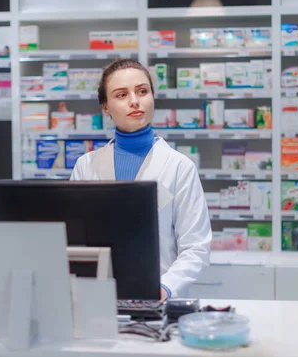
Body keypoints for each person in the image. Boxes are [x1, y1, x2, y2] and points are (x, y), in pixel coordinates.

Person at [71, 58, 212, 300]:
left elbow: (196, 248)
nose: (134, 100)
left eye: (142, 91)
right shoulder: (86, 167)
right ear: (105, 107)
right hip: (96, 297)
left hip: (160, 298)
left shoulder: (179, 167)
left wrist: (164, 288)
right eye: (121, 94)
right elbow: (73, 241)